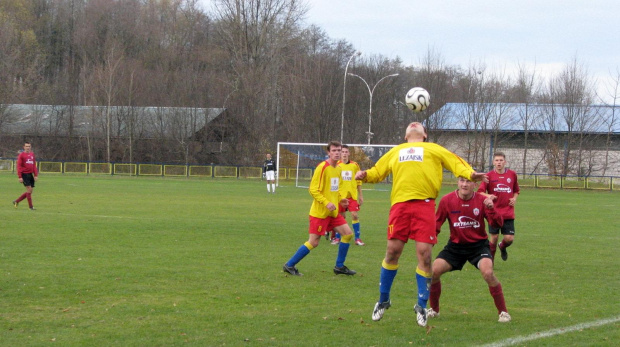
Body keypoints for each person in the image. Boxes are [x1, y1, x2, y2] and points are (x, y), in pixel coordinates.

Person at [355, 122, 487, 327]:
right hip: (400, 206)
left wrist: (470, 173)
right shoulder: (396, 150)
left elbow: (456, 163)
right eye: (410, 125)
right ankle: (383, 300)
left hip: (424, 206)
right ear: (406, 135)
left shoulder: (434, 149)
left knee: (425, 255)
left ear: (424, 135)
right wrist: (365, 175)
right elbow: (377, 171)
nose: (414, 124)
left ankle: (421, 305)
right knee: (392, 251)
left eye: (419, 125)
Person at [429, 177, 511, 323]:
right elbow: (437, 224)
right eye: (462, 181)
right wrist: (429, 244)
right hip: (455, 247)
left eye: (468, 182)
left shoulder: (482, 200)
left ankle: (503, 312)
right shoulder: (447, 200)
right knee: (433, 272)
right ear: (457, 182)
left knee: (488, 273)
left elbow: (498, 223)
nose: (465, 184)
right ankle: (434, 310)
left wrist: (492, 209)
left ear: (475, 184)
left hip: (478, 246)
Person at [283, 141, 357, 276]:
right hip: (320, 213)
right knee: (314, 242)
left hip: (333, 213)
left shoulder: (338, 169)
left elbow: (337, 189)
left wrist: (341, 199)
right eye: (334, 150)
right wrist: (326, 202)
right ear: (328, 152)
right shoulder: (322, 167)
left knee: (347, 234)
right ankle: (289, 265)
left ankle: (339, 267)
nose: (337, 153)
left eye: (339, 150)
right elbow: (313, 190)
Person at [477, 152, 520, 261]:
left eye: (501, 160)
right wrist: (489, 195)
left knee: (509, 239)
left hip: (508, 212)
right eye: (496, 160)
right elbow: (480, 192)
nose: (499, 162)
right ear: (493, 162)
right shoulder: (489, 176)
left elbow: (516, 190)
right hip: (494, 212)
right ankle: (491, 262)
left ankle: (502, 246)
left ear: (505, 162)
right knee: (494, 237)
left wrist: (514, 198)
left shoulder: (512, 174)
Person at [330, 145, 365, 246]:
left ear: (349, 153)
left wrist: (361, 195)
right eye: (343, 152)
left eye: (346, 152)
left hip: (352, 196)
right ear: (340, 153)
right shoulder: (337, 166)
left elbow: (358, 181)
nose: (344, 154)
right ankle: (337, 238)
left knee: (354, 215)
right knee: (341, 217)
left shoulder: (354, 165)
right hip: (340, 196)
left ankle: (357, 238)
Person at [13, 142, 39, 210]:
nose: (28, 147)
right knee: (29, 190)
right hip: (24, 174)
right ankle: (31, 207)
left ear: (30, 147)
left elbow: (34, 165)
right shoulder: (21, 155)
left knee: (30, 191)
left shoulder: (32, 154)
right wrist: (20, 177)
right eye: (26, 146)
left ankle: (16, 201)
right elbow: (19, 166)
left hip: (30, 174)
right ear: (24, 147)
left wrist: (35, 175)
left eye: (29, 146)